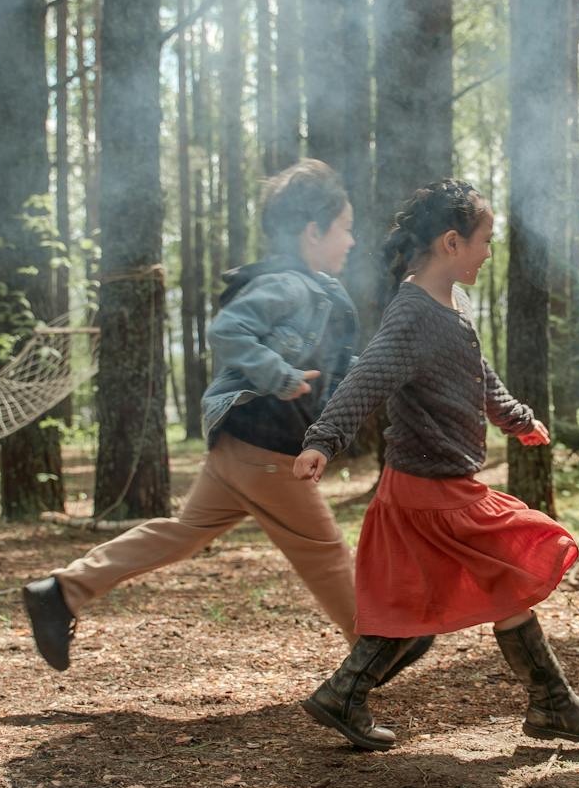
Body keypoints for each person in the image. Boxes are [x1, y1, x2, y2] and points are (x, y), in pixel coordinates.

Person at [294, 180, 579, 754]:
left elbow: (479, 376)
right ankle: (549, 703)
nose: (489, 252)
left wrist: (517, 419)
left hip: (438, 484)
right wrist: (324, 439)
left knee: (469, 593)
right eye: (484, 240)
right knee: (511, 559)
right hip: (428, 490)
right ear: (451, 243)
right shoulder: (412, 314)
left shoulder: (454, 307)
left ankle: (350, 693)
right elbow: (368, 376)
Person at [21, 159, 361, 672]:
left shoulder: (314, 291)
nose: (351, 241)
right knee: (325, 552)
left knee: (183, 533)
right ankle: (380, 642)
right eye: (345, 229)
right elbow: (227, 330)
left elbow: (331, 361)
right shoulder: (289, 286)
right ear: (313, 231)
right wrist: (280, 376)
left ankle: (62, 590)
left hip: (238, 449)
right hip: (265, 448)